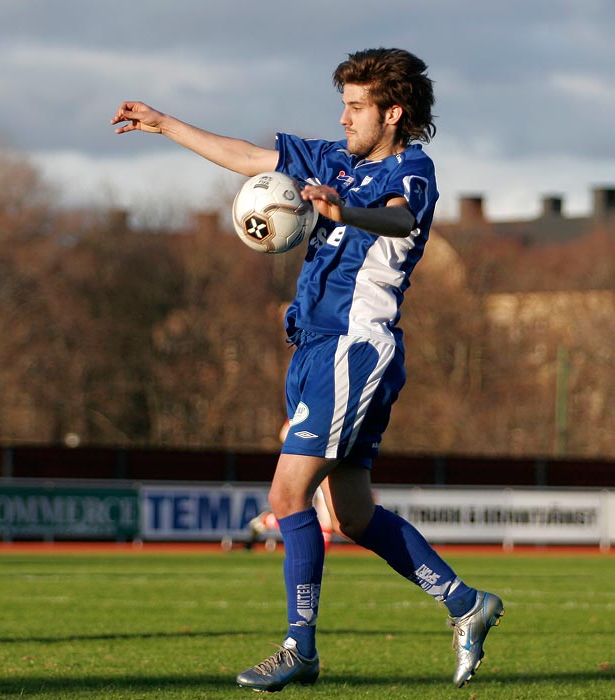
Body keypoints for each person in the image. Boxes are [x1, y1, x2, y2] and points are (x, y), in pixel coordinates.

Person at [112, 47, 503, 692]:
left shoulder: (412, 169)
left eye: (356, 107)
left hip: (355, 346)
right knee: (350, 514)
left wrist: (342, 213)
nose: (344, 118)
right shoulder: (332, 160)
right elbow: (247, 157)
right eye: (343, 105)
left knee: (286, 496)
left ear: (393, 111)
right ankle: (466, 604)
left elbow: (401, 218)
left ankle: (300, 648)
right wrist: (165, 124)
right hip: (317, 348)